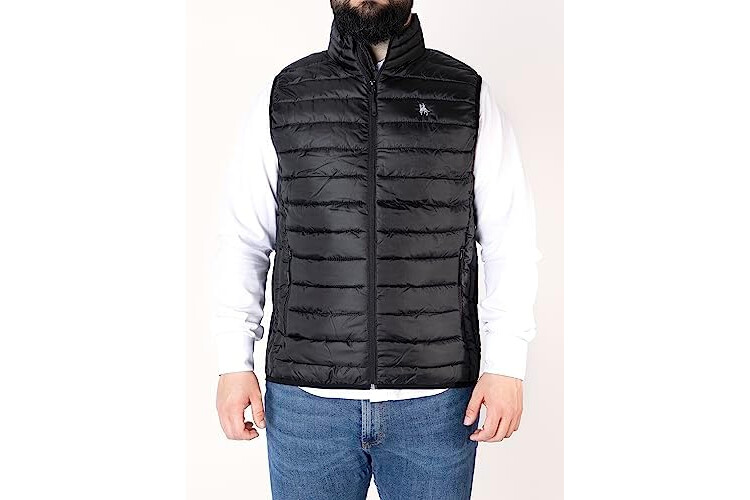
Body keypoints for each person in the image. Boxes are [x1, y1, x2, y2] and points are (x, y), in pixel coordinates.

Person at [212, 1, 541, 498]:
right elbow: (245, 239)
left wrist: (506, 365)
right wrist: (233, 360)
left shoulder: (465, 95)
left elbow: (508, 239)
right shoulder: (285, 95)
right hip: (305, 404)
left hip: (436, 405)